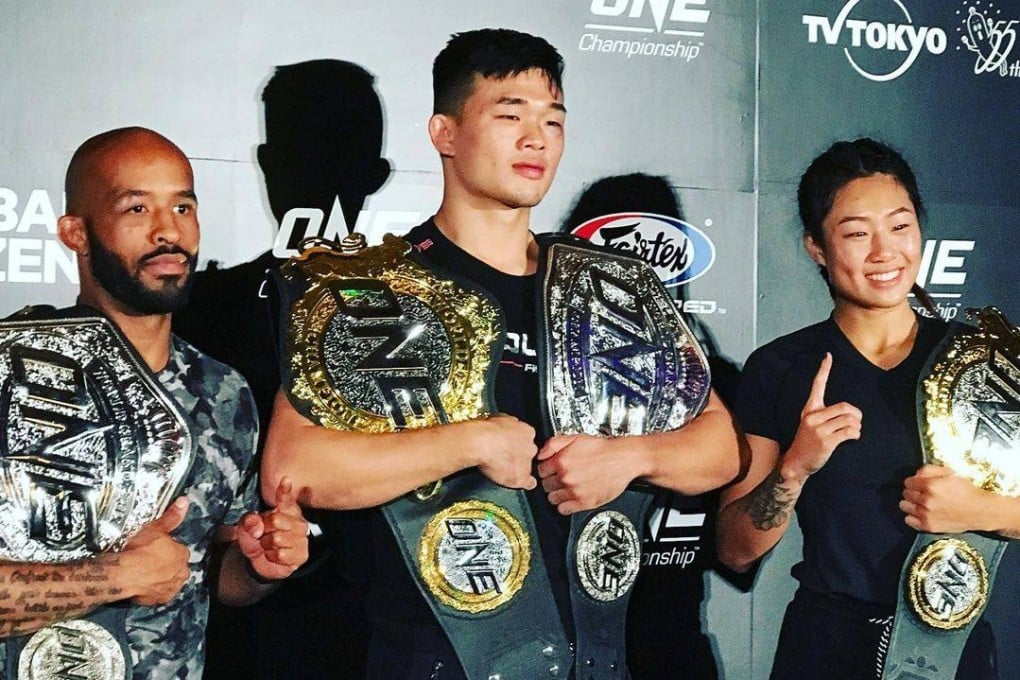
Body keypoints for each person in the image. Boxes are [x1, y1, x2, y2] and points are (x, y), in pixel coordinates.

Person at [262, 28, 741, 680]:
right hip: (431, 660)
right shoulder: (372, 289)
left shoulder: (608, 287)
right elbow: (293, 467)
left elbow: (719, 449)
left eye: (553, 120)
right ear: (445, 133)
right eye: (510, 114)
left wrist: (632, 458)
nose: (536, 139)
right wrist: (472, 443)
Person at [0, 127, 309, 678]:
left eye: (183, 206)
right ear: (76, 232)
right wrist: (115, 578)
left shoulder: (224, 394)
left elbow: (210, 572)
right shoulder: (11, 372)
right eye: (137, 207)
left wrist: (260, 566)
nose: (169, 231)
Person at [716, 138, 1001, 679]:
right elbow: (735, 551)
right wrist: (794, 468)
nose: (884, 252)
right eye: (855, 234)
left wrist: (980, 513)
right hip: (825, 650)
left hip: (954, 653)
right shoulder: (780, 367)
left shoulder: (979, 362)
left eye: (899, 225)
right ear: (817, 248)